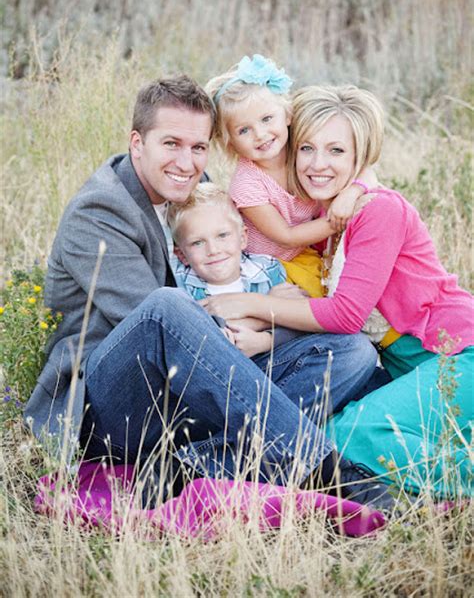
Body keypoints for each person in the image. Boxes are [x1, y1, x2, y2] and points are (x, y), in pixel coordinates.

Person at [24, 75, 391, 508]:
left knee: (351, 351)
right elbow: (165, 326)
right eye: (172, 144)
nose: (187, 161)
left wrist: (359, 186)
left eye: (198, 147)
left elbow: (314, 163)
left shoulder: (197, 193)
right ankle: (321, 467)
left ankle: (194, 465)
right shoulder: (100, 211)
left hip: (199, 382)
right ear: (137, 142)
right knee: (165, 305)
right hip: (114, 403)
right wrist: (270, 313)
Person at [201, 84, 474, 498]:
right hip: (412, 366)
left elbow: (345, 315)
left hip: (456, 352)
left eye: (336, 152)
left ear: (358, 157)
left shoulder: (377, 209)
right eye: (307, 149)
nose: (317, 165)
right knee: (329, 435)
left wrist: (248, 303)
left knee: (350, 435)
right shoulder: (321, 222)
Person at [205, 55, 375, 297]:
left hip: (306, 252)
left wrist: (351, 195)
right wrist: (338, 218)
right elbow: (286, 237)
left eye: (266, 119)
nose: (261, 134)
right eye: (244, 130)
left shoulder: (303, 151)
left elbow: (366, 170)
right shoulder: (247, 184)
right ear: (230, 142)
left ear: (287, 115)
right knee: (327, 300)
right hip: (272, 265)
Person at [168, 181, 301, 358]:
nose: (213, 250)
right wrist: (268, 314)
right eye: (197, 243)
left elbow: (298, 323)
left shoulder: (268, 271)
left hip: (271, 362)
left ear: (243, 238)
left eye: (222, 235)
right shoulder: (179, 287)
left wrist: (265, 340)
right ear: (182, 255)